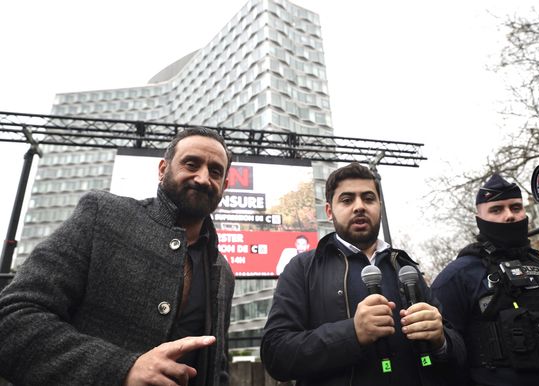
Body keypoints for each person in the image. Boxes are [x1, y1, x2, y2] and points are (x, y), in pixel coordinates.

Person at [0, 128, 235, 386]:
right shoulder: (103, 215)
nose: (203, 178)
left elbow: (217, 366)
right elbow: (11, 319)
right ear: (162, 169)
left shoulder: (222, 271)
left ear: (223, 186)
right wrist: (121, 370)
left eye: (215, 171)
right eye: (191, 164)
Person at [261, 162, 465, 386]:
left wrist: (440, 340)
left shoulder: (406, 268)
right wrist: (352, 333)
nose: (359, 206)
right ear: (329, 211)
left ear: (379, 205)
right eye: (347, 200)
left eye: (368, 198)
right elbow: (275, 354)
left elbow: (459, 353)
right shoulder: (302, 268)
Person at [431, 173, 539, 386]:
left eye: (516, 207)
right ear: (479, 218)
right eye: (496, 209)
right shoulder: (457, 277)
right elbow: (445, 358)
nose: (509, 215)